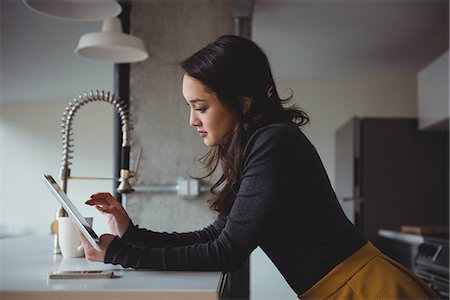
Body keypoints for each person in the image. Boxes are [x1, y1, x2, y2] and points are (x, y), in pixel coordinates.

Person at [80, 35, 439, 299]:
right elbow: (215, 237)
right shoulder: (260, 144)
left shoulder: (274, 143)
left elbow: (227, 252)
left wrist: (120, 253)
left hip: (366, 289)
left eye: (200, 107)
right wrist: (129, 232)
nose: (191, 120)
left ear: (243, 103)